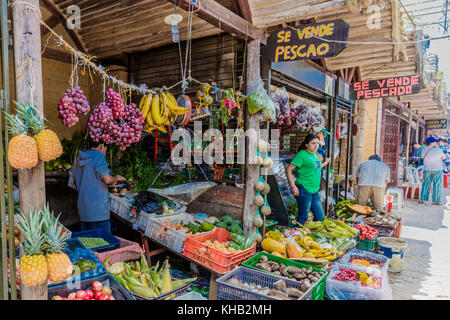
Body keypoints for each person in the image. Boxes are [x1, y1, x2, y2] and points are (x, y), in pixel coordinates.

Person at [72, 141, 126, 233]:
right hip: (98, 211)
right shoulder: (98, 156)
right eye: (105, 150)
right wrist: (117, 177)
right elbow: (107, 179)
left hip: (83, 210)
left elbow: (75, 182)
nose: (104, 153)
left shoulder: (79, 159)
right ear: (101, 146)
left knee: (88, 242)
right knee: (103, 243)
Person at [286, 134, 330, 226]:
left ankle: (310, 237)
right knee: (303, 217)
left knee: (319, 216)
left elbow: (316, 167)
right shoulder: (302, 154)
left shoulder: (314, 155)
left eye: (317, 143)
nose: (316, 145)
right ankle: (295, 236)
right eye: (313, 143)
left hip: (314, 189)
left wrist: (325, 162)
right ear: (307, 144)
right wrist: (293, 186)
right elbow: (289, 169)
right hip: (304, 188)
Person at [418, 136, 446, 205]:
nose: (436, 142)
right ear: (432, 142)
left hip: (427, 169)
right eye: (435, 142)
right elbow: (443, 157)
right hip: (437, 169)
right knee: (437, 184)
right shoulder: (438, 150)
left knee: (426, 184)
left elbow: (422, 157)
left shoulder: (423, 150)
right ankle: (435, 201)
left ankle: (422, 199)